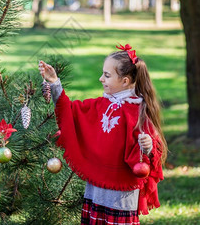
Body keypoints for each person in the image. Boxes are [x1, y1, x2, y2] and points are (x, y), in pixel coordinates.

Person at [38, 44, 167, 225]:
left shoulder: (137, 112)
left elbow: (146, 157)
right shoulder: (100, 105)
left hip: (120, 193)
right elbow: (71, 112)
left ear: (125, 81)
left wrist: (147, 146)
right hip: (96, 187)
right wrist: (54, 83)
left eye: (107, 75)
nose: (100, 79)